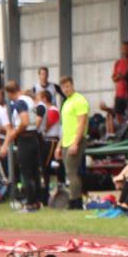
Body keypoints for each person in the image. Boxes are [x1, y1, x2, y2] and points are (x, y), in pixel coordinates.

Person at [2, 81, 45, 211]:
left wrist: (15, 132)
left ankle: (30, 204)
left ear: (9, 93)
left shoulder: (20, 102)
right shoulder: (30, 100)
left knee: (26, 174)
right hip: (34, 137)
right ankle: (37, 201)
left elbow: (24, 121)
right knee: (34, 173)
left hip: (25, 139)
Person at [56, 75, 90, 210]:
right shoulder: (66, 102)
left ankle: (74, 201)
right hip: (66, 140)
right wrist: (59, 145)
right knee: (69, 172)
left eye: (67, 86)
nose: (65, 89)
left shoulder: (79, 100)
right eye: (63, 87)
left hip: (76, 140)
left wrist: (76, 142)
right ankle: (76, 200)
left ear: (72, 85)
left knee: (72, 172)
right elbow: (66, 126)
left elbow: (82, 123)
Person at [111, 41, 128, 123]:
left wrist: (124, 76)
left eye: (127, 48)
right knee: (118, 115)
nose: (125, 50)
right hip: (119, 94)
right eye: (123, 48)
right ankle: (121, 133)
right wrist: (118, 77)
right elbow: (114, 78)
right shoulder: (118, 62)